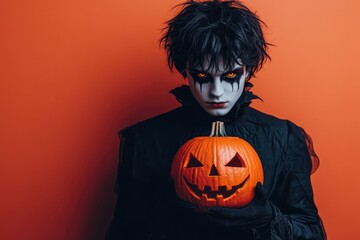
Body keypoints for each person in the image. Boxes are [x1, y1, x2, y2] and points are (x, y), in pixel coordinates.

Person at [106, 0, 326, 239]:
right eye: (202, 76)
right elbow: (122, 233)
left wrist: (270, 219)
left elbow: (312, 234)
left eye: (230, 75)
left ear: (248, 70)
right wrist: (163, 218)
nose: (217, 91)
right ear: (184, 72)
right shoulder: (146, 140)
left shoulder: (282, 138)